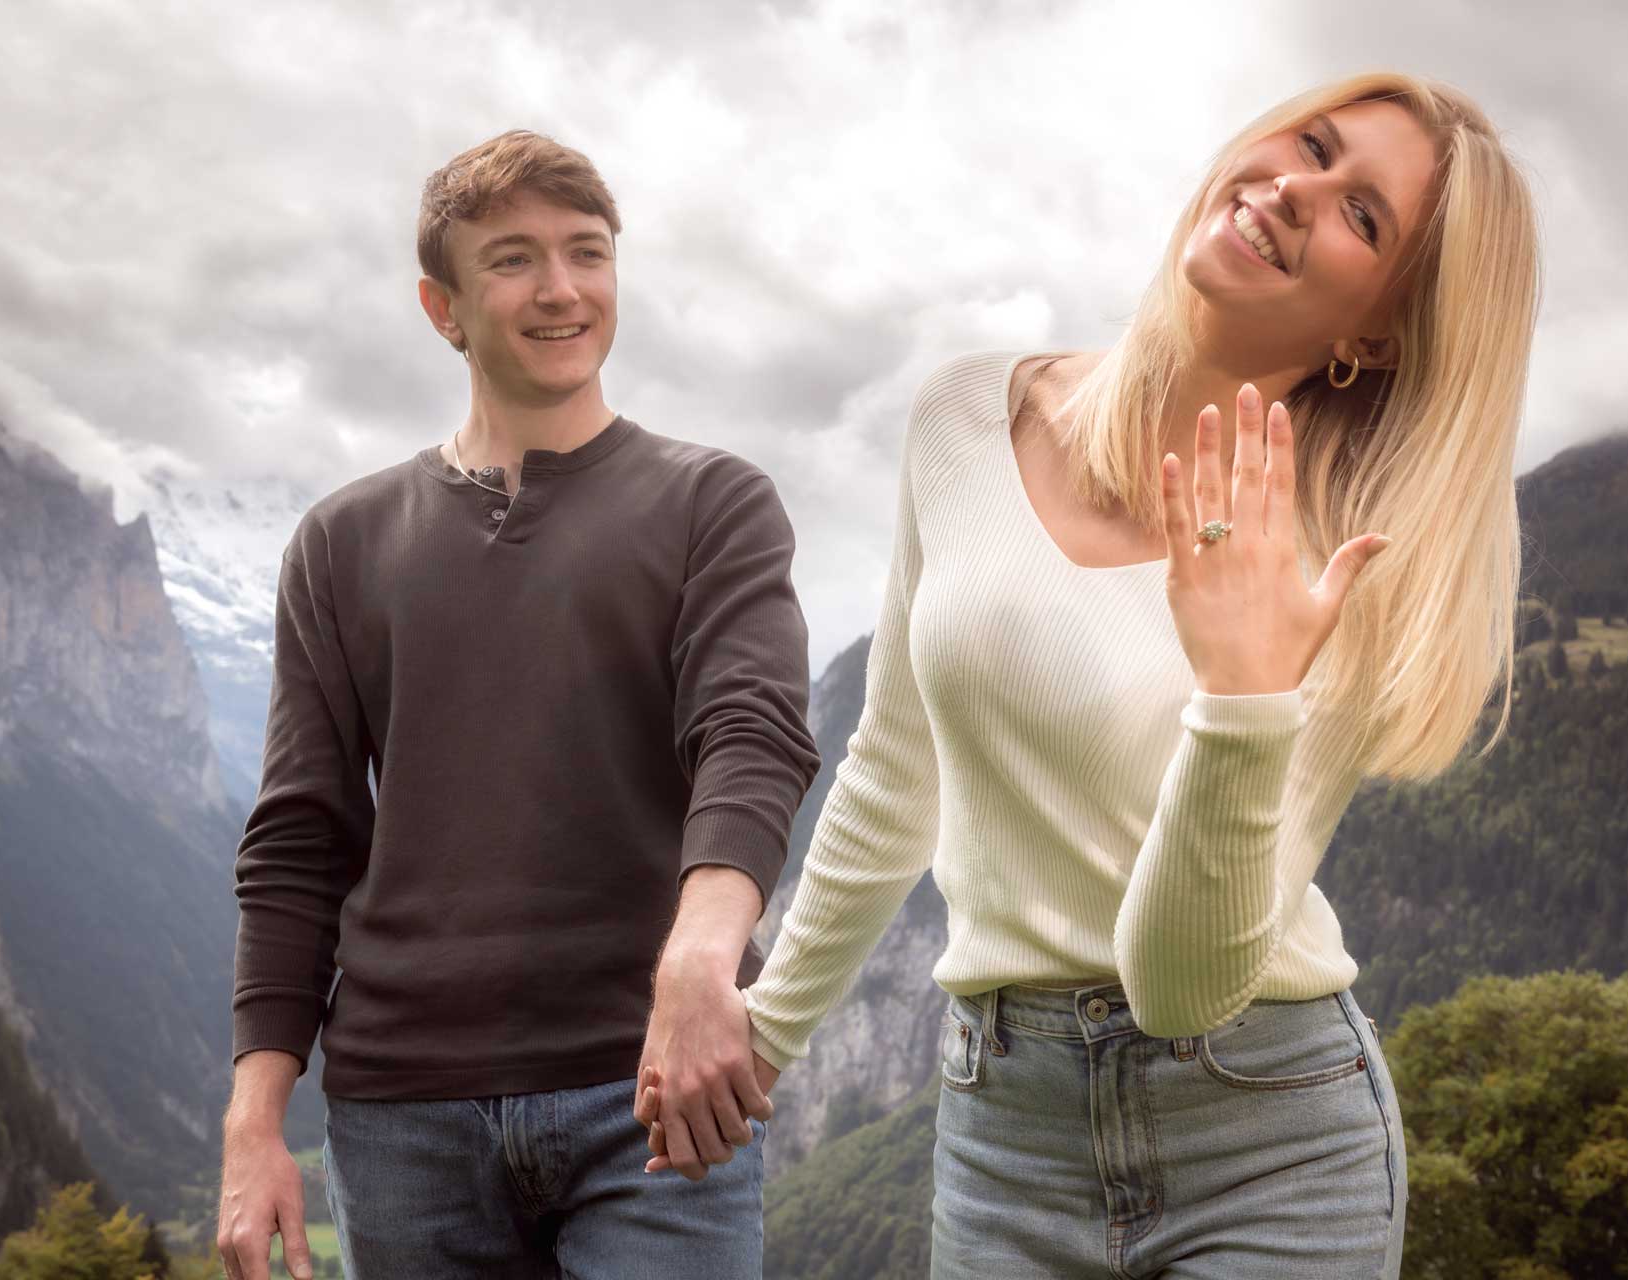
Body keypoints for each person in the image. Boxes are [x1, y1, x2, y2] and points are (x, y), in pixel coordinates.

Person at [647, 71, 1541, 1276]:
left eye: (1361, 214)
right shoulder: (965, 414)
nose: (1293, 188)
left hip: (1270, 1150)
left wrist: (1243, 698)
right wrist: (764, 1037)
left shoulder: (1344, 564)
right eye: (1310, 144)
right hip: (1003, 1139)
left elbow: (1179, 988)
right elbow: (897, 767)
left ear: (1375, 329)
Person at [215, 130, 817, 1280]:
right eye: (514, 260)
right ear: (443, 307)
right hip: (402, 1120)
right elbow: (299, 837)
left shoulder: (713, 502)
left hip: (654, 1091)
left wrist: (699, 961)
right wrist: (255, 1120)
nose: (561, 289)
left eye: (587, 253)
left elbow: (752, 733)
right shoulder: (342, 541)